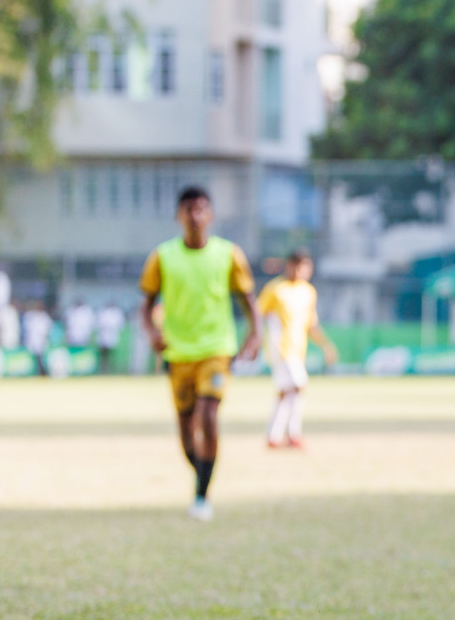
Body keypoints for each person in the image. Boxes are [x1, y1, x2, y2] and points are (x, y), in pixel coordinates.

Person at [139, 185, 260, 521]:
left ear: (211, 215)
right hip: (178, 354)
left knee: (208, 415)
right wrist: (152, 333)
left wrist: (255, 335)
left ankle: (201, 496)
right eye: (189, 209)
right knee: (185, 428)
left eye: (201, 208)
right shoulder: (162, 257)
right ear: (179, 216)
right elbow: (146, 305)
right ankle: (203, 474)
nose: (195, 215)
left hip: (216, 349)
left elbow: (248, 299)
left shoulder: (229, 254)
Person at [256, 249, 337, 449]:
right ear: (289, 265)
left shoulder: (308, 292)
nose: (301, 271)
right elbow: (257, 315)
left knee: (287, 391)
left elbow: (311, 325)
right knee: (299, 384)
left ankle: (274, 436)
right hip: (280, 348)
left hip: (297, 349)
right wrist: (255, 340)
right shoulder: (275, 289)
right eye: (297, 266)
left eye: (305, 267)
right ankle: (293, 434)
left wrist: (326, 346)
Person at [21, 303, 53, 375]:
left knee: (42, 359)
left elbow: (47, 330)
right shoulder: (30, 316)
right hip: (32, 340)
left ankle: (43, 372)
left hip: (41, 341)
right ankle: (34, 373)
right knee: (32, 359)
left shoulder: (44, 317)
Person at [96, 303, 126, 374]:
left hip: (112, 336)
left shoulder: (116, 313)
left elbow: (120, 325)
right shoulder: (102, 311)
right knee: (103, 355)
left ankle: (111, 369)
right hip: (103, 336)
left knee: (112, 355)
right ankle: (103, 369)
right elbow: (98, 323)